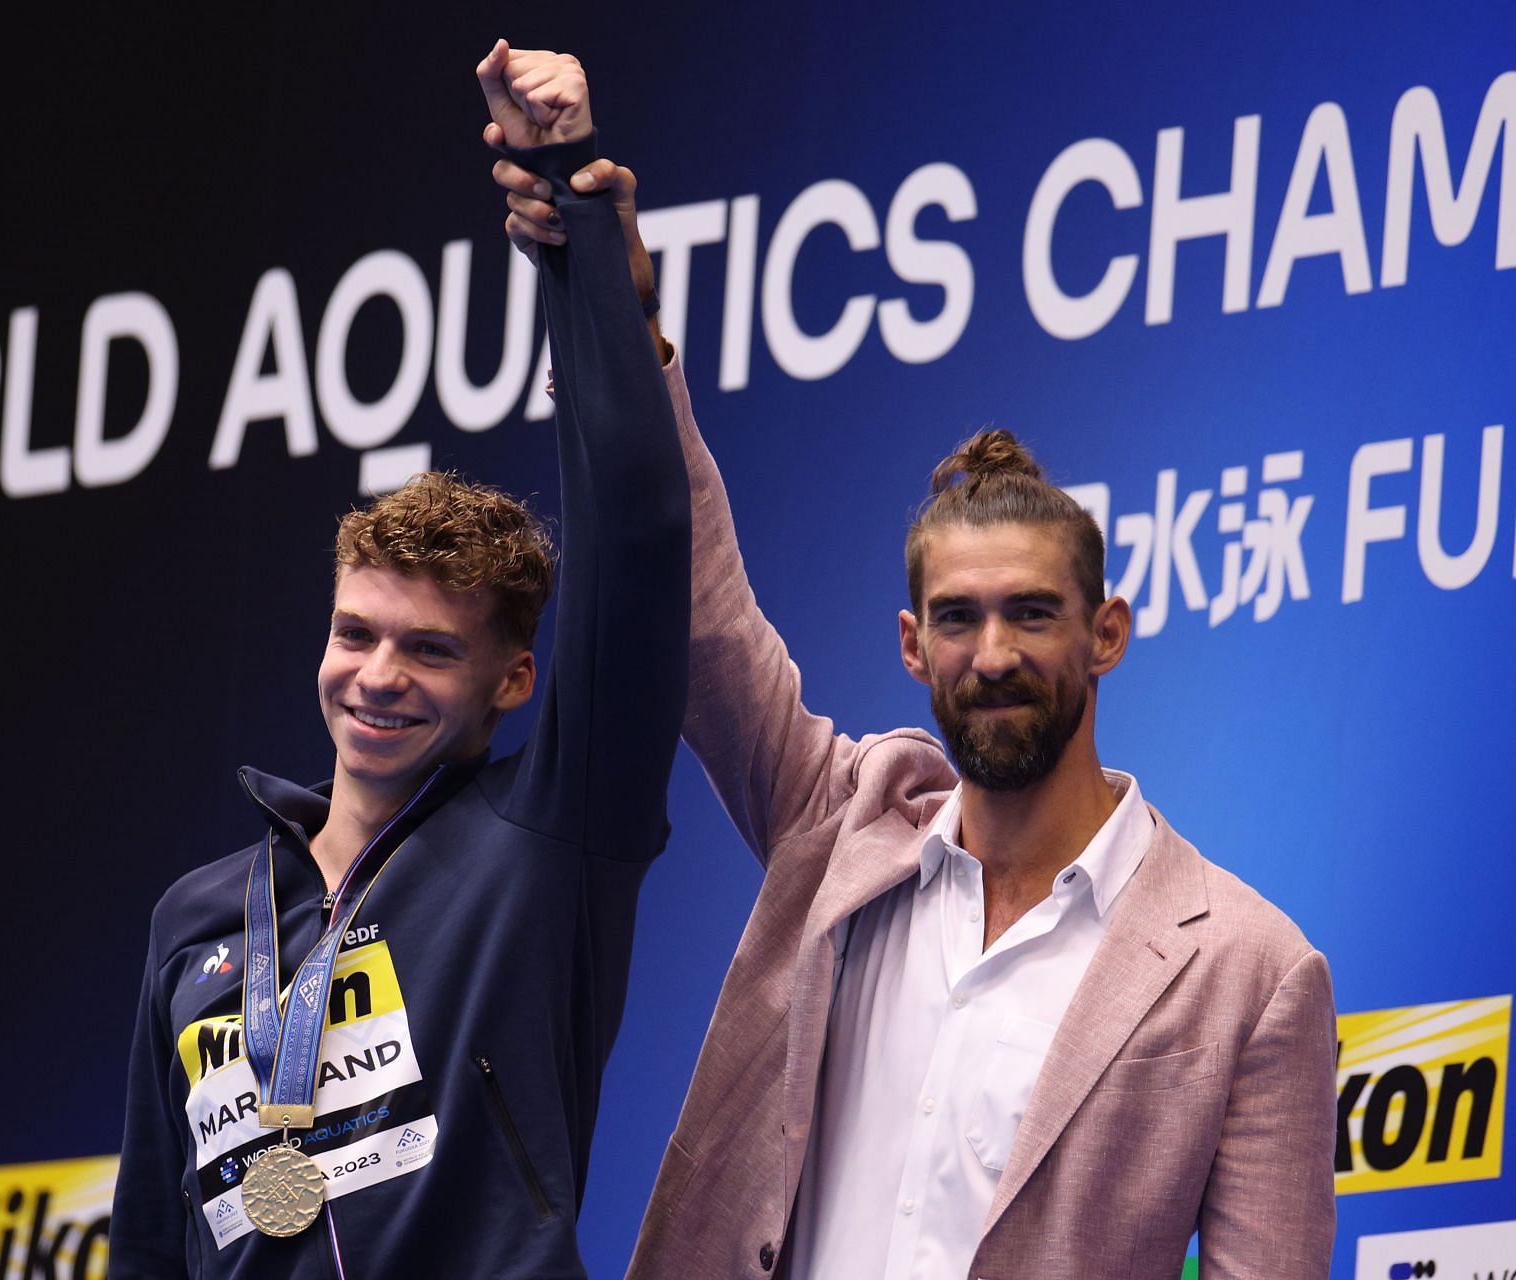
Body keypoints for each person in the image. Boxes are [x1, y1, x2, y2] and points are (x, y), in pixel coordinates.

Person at [490, 69, 1338, 1280]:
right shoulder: (844, 824)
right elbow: (703, 605)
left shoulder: (1249, 967)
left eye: (1032, 614)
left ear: (1108, 632)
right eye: (959, 619)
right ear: (911, 643)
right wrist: (624, 326)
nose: (992, 656)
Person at [108, 43, 688, 1279]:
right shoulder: (198, 921)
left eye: (431, 649)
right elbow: (157, 1248)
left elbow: (639, 530)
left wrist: (573, 213)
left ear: (513, 679)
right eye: (355, 633)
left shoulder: (550, 837)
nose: (376, 676)